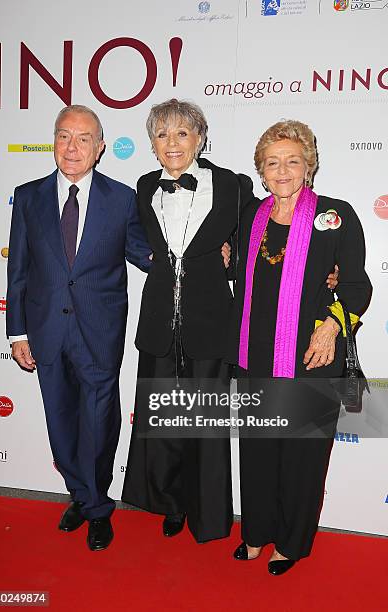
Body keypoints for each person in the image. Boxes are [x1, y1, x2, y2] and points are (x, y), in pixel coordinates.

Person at [226, 120, 372, 574]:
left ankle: (291, 542)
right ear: (261, 170)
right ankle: (256, 532)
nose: (282, 170)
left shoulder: (337, 215)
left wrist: (331, 326)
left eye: (293, 161)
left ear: (309, 166)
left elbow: (356, 288)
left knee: (302, 456)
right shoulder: (250, 216)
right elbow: (239, 274)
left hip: (312, 355)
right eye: (272, 162)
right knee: (258, 450)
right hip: (256, 354)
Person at [6, 104, 152, 551]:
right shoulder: (27, 196)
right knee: (61, 421)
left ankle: (97, 508)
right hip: (46, 330)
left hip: (99, 333)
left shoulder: (123, 198)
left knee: (99, 421)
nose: (72, 147)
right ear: (53, 141)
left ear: (100, 148)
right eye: (64, 136)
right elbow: (19, 268)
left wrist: (201, 258)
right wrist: (17, 332)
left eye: (83, 138)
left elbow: (145, 253)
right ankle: (81, 495)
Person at [121, 99, 257, 543]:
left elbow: (262, 235)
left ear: (200, 138)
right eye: (162, 135)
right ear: (152, 144)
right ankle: (170, 503)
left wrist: (232, 256)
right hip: (160, 321)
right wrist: (152, 259)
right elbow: (137, 240)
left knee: (205, 425)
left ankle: (210, 513)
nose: (172, 143)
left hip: (210, 321)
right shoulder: (143, 187)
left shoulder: (233, 186)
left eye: (182, 133)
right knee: (164, 422)